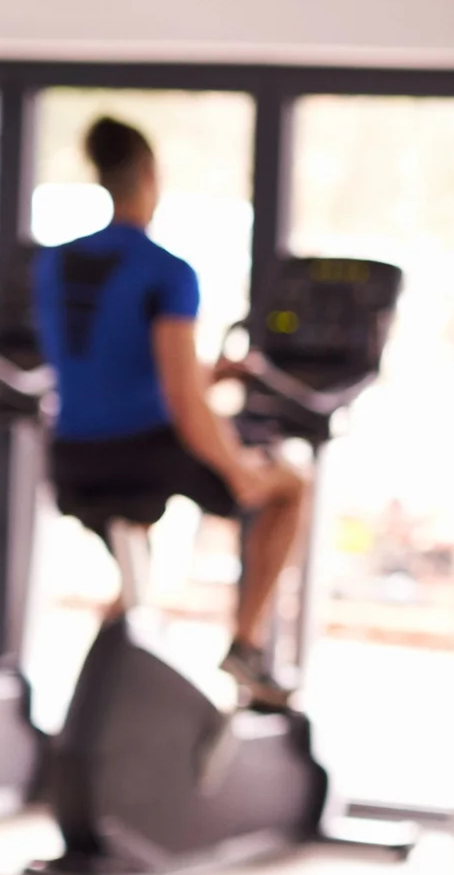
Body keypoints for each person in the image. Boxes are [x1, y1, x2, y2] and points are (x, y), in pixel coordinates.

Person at [33, 117, 311, 710]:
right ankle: (246, 645)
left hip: (71, 458)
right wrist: (239, 471)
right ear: (149, 176)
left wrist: (212, 374)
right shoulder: (167, 271)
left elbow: (108, 367)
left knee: (135, 577)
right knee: (289, 487)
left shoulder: (53, 264)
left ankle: (98, 707)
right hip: (144, 453)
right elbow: (185, 404)